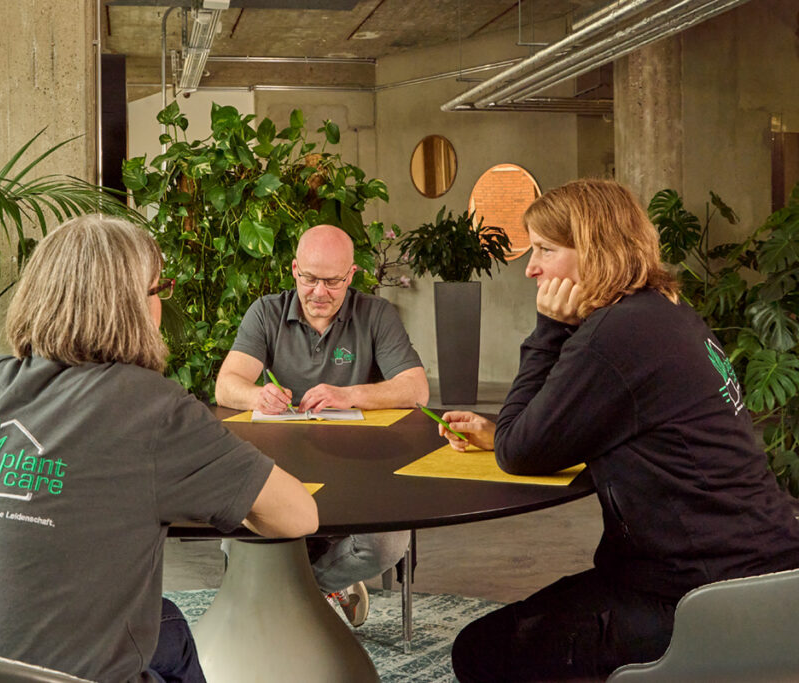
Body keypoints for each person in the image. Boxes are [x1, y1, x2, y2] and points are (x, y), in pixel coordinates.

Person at [0, 215, 318, 683]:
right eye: (158, 290)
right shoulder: (150, 405)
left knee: (168, 626)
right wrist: (221, 496)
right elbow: (298, 515)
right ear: (134, 305)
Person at [439, 178, 799, 681]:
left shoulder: (613, 334)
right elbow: (607, 420)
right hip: (761, 566)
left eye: (545, 249)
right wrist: (503, 429)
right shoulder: (662, 310)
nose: (531, 268)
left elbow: (518, 453)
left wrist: (548, 329)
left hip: (702, 595)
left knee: (481, 651)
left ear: (594, 250)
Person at [215, 223, 429, 627]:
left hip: (360, 470)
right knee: (236, 536)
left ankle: (285, 600)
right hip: (280, 467)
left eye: (333, 282)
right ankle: (323, 592)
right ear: (295, 270)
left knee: (386, 545)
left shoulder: (376, 314)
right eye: (310, 279)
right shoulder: (266, 312)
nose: (319, 292)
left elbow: (416, 390)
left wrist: (351, 395)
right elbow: (227, 384)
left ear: (351, 275)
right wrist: (257, 396)